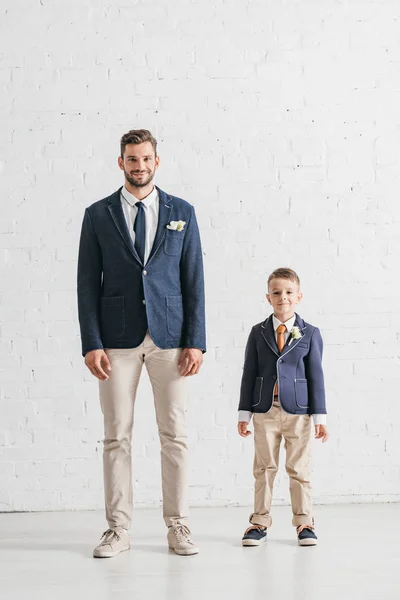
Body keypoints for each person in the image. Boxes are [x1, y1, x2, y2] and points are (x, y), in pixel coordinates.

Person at [77, 129, 206, 557]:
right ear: (121, 163)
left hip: (171, 338)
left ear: (157, 160)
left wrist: (196, 341)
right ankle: (118, 529)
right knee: (117, 436)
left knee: (176, 435)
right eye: (132, 160)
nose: (140, 166)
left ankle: (179, 525)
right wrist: (91, 342)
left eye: (146, 159)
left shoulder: (182, 212)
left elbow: (194, 282)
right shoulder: (97, 215)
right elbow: (86, 285)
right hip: (116, 342)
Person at [238, 268, 328, 547]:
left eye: (289, 292)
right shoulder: (257, 333)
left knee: (299, 469)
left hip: (299, 412)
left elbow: (316, 376)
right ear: (268, 297)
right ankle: (259, 522)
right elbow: (249, 372)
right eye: (276, 292)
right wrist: (244, 413)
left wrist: (319, 416)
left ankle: (304, 522)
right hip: (265, 411)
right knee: (264, 468)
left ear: (298, 296)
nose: (283, 297)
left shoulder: (310, 333)